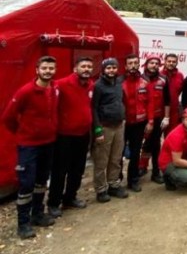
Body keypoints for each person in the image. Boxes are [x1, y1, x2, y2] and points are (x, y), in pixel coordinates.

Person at [2, 56, 59, 238]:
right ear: (37, 70)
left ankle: (38, 214)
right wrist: (23, 132)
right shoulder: (25, 91)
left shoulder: (55, 89)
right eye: (45, 68)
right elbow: (8, 117)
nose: (48, 71)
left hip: (48, 143)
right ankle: (23, 224)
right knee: (26, 184)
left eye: (51, 68)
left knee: (41, 181)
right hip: (28, 146)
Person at [47, 56, 94, 216]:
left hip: (83, 135)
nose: (86, 69)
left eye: (89, 66)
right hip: (64, 136)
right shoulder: (61, 84)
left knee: (78, 169)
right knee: (60, 171)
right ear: (75, 69)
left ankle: (70, 198)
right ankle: (54, 203)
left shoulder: (91, 85)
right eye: (83, 66)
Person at [92, 58, 128, 203]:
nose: (111, 70)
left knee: (116, 158)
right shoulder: (98, 86)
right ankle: (101, 189)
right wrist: (98, 130)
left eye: (114, 67)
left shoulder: (119, 83)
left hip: (119, 126)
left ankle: (113, 184)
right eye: (108, 68)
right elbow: (93, 109)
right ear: (103, 69)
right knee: (101, 160)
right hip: (105, 127)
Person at [122, 54, 150, 193]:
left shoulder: (145, 81)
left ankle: (133, 180)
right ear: (125, 66)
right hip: (122, 124)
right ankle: (116, 179)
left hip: (139, 124)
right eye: (130, 63)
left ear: (139, 65)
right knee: (118, 154)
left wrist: (150, 121)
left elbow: (150, 103)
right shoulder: (119, 82)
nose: (133, 65)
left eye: (135, 63)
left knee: (135, 153)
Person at [141, 54, 170, 184]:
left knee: (155, 145)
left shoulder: (164, 79)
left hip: (157, 117)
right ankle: (141, 167)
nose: (154, 65)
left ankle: (156, 172)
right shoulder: (139, 79)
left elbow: (167, 100)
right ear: (146, 64)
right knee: (141, 144)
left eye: (156, 63)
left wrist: (167, 117)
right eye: (151, 63)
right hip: (141, 118)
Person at [161, 53, 184, 129]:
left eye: (173, 62)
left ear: (177, 63)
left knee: (171, 135)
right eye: (169, 61)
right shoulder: (159, 75)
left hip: (174, 111)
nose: (171, 63)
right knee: (155, 137)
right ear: (165, 62)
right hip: (160, 110)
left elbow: (179, 91)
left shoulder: (180, 75)